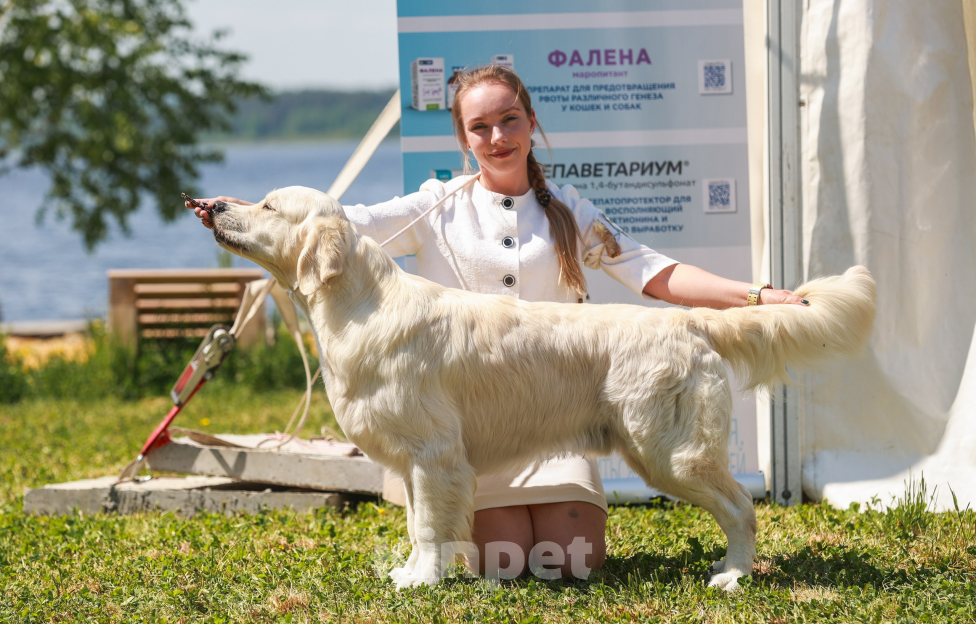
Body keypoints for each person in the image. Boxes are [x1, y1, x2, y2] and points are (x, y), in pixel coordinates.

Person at [187, 65, 807, 581]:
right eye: (479, 127)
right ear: (464, 140)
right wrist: (240, 217)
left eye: (509, 120)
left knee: (569, 562)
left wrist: (757, 298)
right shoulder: (434, 204)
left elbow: (653, 273)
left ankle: (739, 541)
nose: (497, 136)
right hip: (464, 425)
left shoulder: (569, 212)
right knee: (507, 564)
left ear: (531, 124)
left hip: (556, 409)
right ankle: (439, 546)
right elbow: (337, 222)